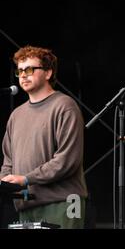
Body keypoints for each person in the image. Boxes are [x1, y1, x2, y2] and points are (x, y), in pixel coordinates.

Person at [0, 45, 88, 228]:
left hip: (62, 203)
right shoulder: (17, 114)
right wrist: (5, 182)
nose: (23, 75)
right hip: (26, 204)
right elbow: (8, 160)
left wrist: (25, 179)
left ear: (48, 72)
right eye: (20, 70)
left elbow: (67, 160)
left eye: (30, 69)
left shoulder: (64, 106)